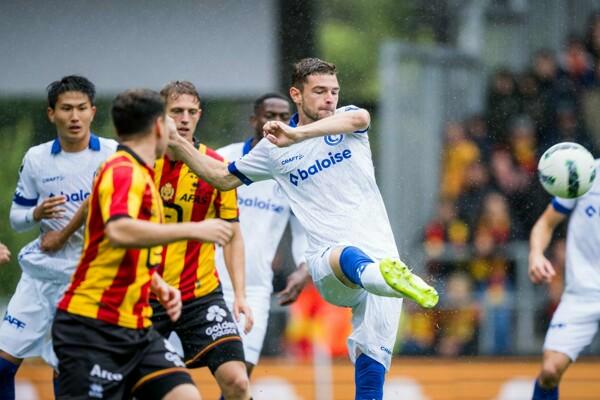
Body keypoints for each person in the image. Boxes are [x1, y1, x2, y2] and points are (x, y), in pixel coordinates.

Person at [168, 58, 439, 400]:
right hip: (329, 264)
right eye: (320, 91)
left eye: (334, 91)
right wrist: (179, 146)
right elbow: (222, 178)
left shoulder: (346, 121)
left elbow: (361, 118)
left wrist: (297, 134)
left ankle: (387, 278)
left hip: (383, 255)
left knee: (372, 375)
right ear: (297, 94)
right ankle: (386, 277)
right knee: (344, 254)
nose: (330, 99)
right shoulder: (271, 151)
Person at [52, 89, 233, 399]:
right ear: (160, 127)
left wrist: (156, 282)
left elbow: (124, 249)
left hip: (135, 327)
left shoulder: (143, 172)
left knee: (185, 395)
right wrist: (195, 229)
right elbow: (120, 231)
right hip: (93, 326)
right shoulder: (124, 171)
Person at [0, 75, 117, 399]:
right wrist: (36, 215)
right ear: (51, 113)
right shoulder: (36, 158)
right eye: (66, 108)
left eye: (82, 108)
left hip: (86, 279)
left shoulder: (113, 155)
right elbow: (17, 220)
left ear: (93, 111)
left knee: (67, 371)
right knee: (1, 367)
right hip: (39, 276)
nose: (75, 116)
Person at [153, 81, 252, 400]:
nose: (184, 119)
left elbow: (232, 234)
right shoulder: (139, 162)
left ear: (199, 115)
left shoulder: (214, 167)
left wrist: (239, 294)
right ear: (161, 115)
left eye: (191, 112)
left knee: (237, 381)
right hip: (144, 293)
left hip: (199, 295)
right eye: (176, 111)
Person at [216, 93, 309, 376]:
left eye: (284, 117)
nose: (277, 122)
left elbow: (304, 227)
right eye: (270, 115)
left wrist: (303, 268)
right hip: (207, 284)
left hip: (255, 287)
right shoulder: (224, 158)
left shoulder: (295, 171)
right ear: (254, 119)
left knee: (240, 380)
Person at [528, 158, 600, 400]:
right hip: (583, 294)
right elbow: (545, 224)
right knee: (550, 371)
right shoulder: (585, 172)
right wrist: (536, 255)